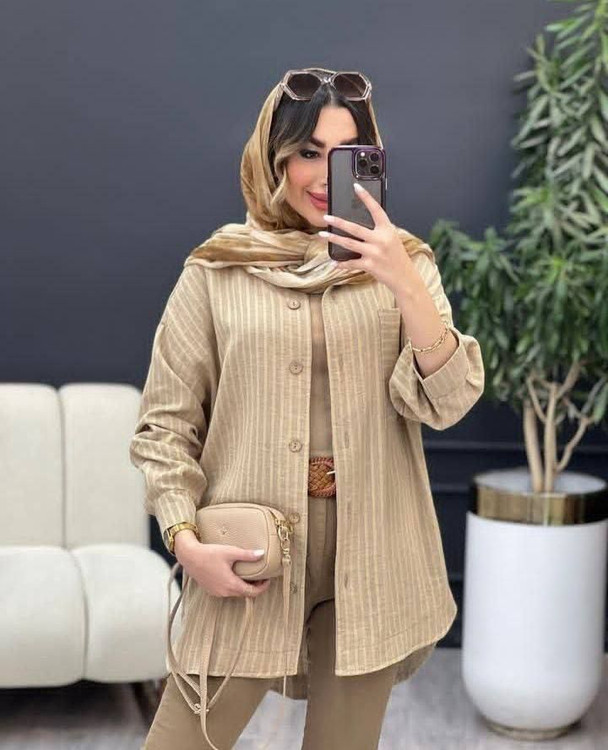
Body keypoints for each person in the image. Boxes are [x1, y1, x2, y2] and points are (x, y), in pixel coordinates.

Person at [130, 67, 485, 750]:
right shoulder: (215, 271)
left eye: (348, 155)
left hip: (373, 552)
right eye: (307, 153)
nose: (325, 176)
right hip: (248, 551)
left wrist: (404, 285)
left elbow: (448, 402)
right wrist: (184, 540)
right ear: (274, 160)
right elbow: (165, 427)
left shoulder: (405, 265)